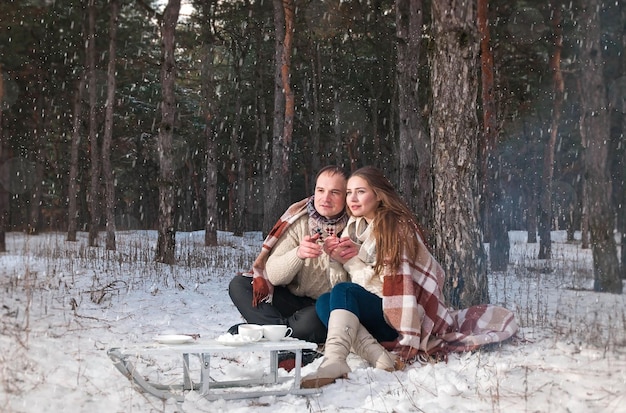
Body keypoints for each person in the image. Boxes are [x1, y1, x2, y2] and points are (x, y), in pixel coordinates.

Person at [301, 166, 517, 388]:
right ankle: (380, 357)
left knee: (341, 294)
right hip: (373, 311)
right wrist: (336, 259)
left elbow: (390, 289)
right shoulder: (354, 227)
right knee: (326, 301)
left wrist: (352, 261)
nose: (352, 199)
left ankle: (335, 360)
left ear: (378, 195)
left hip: (398, 316)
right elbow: (341, 290)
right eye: (348, 192)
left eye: (361, 191)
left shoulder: (394, 228)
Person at [228, 165, 350, 347]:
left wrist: (337, 260)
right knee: (240, 285)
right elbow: (274, 276)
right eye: (321, 190)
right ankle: (284, 333)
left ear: (346, 196)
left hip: (323, 306)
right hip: (291, 300)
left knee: (317, 319)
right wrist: (298, 254)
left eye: (335, 192)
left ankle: (265, 331)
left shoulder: (355, 227)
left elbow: (356, 286)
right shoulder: (299, 221)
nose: (325, 198)